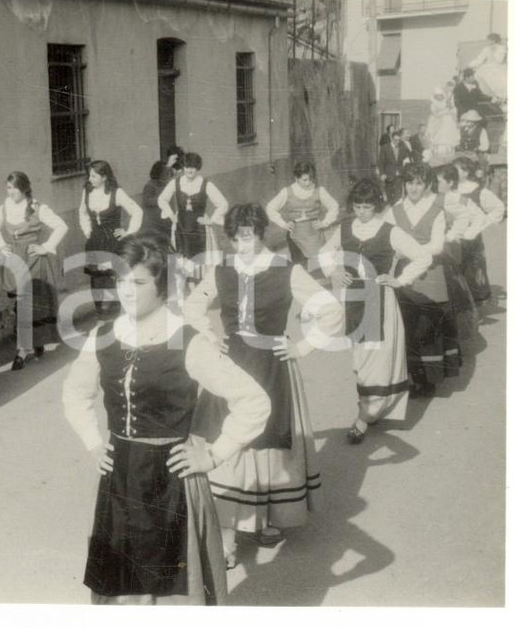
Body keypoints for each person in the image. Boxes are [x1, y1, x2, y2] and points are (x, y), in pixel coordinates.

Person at [62, 233, 272, 605]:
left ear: (161, 287)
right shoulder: (103, 335)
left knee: (172, 592)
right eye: (121, 281)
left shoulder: (188, 341)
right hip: (121, 475)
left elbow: (253, 400)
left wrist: (214, 454)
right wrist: (94, 443)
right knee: (122, 588)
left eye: (138, 282)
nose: (126, 291)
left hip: (171, 480)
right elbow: (75, 394)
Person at [184, 204, 343, 562]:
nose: (243, 245)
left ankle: (269, 518)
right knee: (226, 440)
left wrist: (302, 346)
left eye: (249, 236)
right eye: (236, 238)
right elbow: (193, 307)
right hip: (230, 363)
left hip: (272, 363)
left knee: (269, 437)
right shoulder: (221, 270)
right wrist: (209, 335)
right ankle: (227, 539)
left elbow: (331, 309)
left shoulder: (286, 270)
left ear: (260, 234)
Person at [318, 179, 431, 444]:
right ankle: (370, 407)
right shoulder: (345, 228)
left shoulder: (390, 231)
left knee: (376, 362)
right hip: (353, 299)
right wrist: (335, 270)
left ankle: (364, 417)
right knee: (359, 359)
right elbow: (324, 252)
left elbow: (423, 256)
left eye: (367, 207)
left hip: (380, 301)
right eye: (357, 206)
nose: (361, 212)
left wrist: (399, 280)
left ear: (376, 206)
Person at [383, 164, 460, 398]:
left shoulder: (436, 210)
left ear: (427, 185)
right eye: (409, 183)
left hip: (430, 274)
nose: (413, 188)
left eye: (418, 183)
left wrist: (407, 251)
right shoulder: (394, 211)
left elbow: (437, 245)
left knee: (428, 327)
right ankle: (412, 376)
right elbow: (386, 239)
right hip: (404, 275)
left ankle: (430, 380)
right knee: (406, 324)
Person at [0, 171, 69, 370]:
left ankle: (23, 350)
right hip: (15, 260)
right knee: (21, 305)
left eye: (14, 188)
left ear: (24, 188)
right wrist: (0, 245)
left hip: (33, 260)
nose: (11, 192)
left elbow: (61, 226)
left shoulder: (37, 207)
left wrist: (46, 246)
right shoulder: (4, 207)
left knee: (29, 304)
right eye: (8, 187)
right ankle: (33, 342)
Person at [78, 160, 143, 321]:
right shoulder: (87, 191)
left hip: (113, 243)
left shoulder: (116, 193)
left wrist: (128, 232)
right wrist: (88, 232)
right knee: (97, 280)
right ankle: (103, 317)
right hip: (95, 241)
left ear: (104, 177)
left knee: (113, 280)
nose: (90, 179)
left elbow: (137, 211)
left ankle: (118, 318)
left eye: (94, 176)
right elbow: (82, 213)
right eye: (89, 175)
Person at [157, 152, 229, 286]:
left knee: (201, 261)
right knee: (182, 257)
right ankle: (187, 288)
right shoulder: (176, 183)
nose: (190, 170)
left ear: (198, 168)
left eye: (193, 167)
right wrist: (171, 215)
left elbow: (223, 203)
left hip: (199, 228)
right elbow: (162, 199)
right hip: (181, 227)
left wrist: (211, 219)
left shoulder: (205, 184)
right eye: (187, 166)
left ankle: (200, 288)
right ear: (183, 167)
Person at [435, 165, 482, 343]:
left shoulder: (458, 199)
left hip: (451, 247)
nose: (434, 184)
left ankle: (459, 327)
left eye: (438, 181)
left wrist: (459, 235)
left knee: (454, 284)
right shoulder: (437, 198)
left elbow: (478, 217)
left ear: (451, 182)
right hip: (440, 246)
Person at [265, 161, 339, 271]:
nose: (308, 183)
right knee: (300, 269)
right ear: (296, 178)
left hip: (314, 236)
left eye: (310, 179)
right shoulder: (287, 192)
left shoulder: (319, 191)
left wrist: (325, 223)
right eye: (304, 180)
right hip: (295, 237)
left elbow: (334, 206)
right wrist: (283, 224)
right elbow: (270, 208)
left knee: (319, 267)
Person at [452, 156, 505, 304]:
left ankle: (471, 305)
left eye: (456, 170)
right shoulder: (451, 188)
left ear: (466, 171)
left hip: (471, 239)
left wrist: (482, 224)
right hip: (454, 237)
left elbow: (498, 208)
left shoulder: (477, 190)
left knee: (471, 269)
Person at [468, 33, 508, 102]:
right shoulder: (490, 49)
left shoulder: (495, 48)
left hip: (495, 70)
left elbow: (499, 60)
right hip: (496, 69)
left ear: (493, 40)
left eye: (489, 40)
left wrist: (469, 65)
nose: (488, 42)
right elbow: (480, 59)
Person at [140, 160, 174, 238]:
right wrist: (161, 200)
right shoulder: (151, 185)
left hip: (165, 222)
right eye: (166, 173)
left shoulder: (167, 185)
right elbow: (147, 201)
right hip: (154, 223)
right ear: (159, 173)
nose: (169, 176)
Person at [377, 131, 413, 205]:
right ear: (391, 139)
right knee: (389, 194)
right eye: (395, 140)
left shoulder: (402, 148)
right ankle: (391, 206)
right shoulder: (385, 148)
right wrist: (382, 173)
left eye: (399, 140)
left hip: (399, 174)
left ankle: (396, 209)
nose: (397, 142)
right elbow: (381, 162)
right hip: (388, 174)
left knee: (398, 194)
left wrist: (406, 164)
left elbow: (407, 158)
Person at [425, 86, 461, 158]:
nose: (439, 97)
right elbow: (436, 114)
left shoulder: (447, 102)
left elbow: (454, 111)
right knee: (437, 134)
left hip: (448, 120)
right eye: (438, 96)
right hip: (438, 121)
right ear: (435, 96)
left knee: (449, 131)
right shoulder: (433, 104)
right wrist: (445, 110)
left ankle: (449, 146)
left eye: (441, 96)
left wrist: (450, 107)